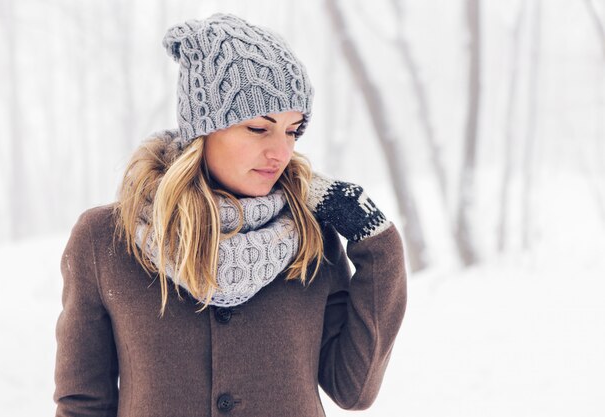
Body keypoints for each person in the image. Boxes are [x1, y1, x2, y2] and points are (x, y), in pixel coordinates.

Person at [54, 12, 407, 417]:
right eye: (259, 128)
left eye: (293, 130)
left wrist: (377, 243)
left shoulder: (311, 237)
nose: (281, 152)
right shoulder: (106, 241)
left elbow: (353, 389)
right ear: (202, 130)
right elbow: (83, 404)